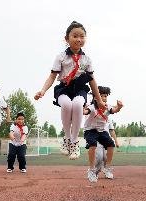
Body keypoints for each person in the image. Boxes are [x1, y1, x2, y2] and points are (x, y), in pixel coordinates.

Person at [34, 21, 106, 160]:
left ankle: (74, 141)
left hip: (80, 89)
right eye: (75, 36)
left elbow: (92, 81)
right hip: (64, 89)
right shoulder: (61, 57)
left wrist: (98, 99)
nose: (79, 39)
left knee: (78, 104)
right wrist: (42, 91)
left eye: (82, 36)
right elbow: (52, 76)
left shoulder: (87, 59)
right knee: (67, 104)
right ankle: (67, 138)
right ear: (66, 39)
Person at [83, 86, 123, 182]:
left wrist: (119, 107)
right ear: (95, 98)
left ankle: (107, 167)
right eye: (101, 96)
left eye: (105, 96)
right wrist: (81, 108)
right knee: (92, 145)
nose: (104, 98)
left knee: (111, 145)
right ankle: (92, 170)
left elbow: (114, 110)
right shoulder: (92, 107)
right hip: (90, 130)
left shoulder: (107, 107)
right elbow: (85, 111)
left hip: (101, 131)